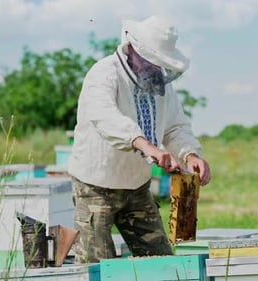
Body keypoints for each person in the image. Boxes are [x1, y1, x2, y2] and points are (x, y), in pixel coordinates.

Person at [68, 15, 211, 263]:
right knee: (98, 268)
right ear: (133, 48)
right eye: (153, 61)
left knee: (162, 262)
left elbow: (175, 126)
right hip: (96, 188)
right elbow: (105, 117)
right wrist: (147, 146)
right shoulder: (103, 73)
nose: (156, 68)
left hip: (137, 188)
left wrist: (191, 154)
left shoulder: (160, 86)